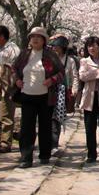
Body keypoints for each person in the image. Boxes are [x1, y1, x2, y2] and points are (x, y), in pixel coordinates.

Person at [12, 27, 64, 168]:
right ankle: (26, 157)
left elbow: (61, 73)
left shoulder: (50, 55)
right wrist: (17, 80)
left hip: (46, 97)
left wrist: (51, 80)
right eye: (33, 37)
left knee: (45, 126)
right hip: (27, 94)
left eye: (39, 37)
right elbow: (15, 69)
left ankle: (45, 155)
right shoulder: (24, 54)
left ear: (44, 40)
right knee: (26, 127)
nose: (35, 39)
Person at [0, 25, 20, 153]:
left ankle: (6, 142)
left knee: (6, 112)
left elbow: (14, 66)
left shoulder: (12, 49)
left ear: (1, 36)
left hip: (6, 84)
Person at [49, 35, 77, 153]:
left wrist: (74, 89)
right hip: (49, 90)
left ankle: (54, 145)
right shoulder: (49, 58)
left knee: (57, 117)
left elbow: (74, 76)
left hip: (61, 91)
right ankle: (47, 142)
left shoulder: (70, 61)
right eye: (54, 46)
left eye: (57, 47)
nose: (55, 48)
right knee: (47, 117)